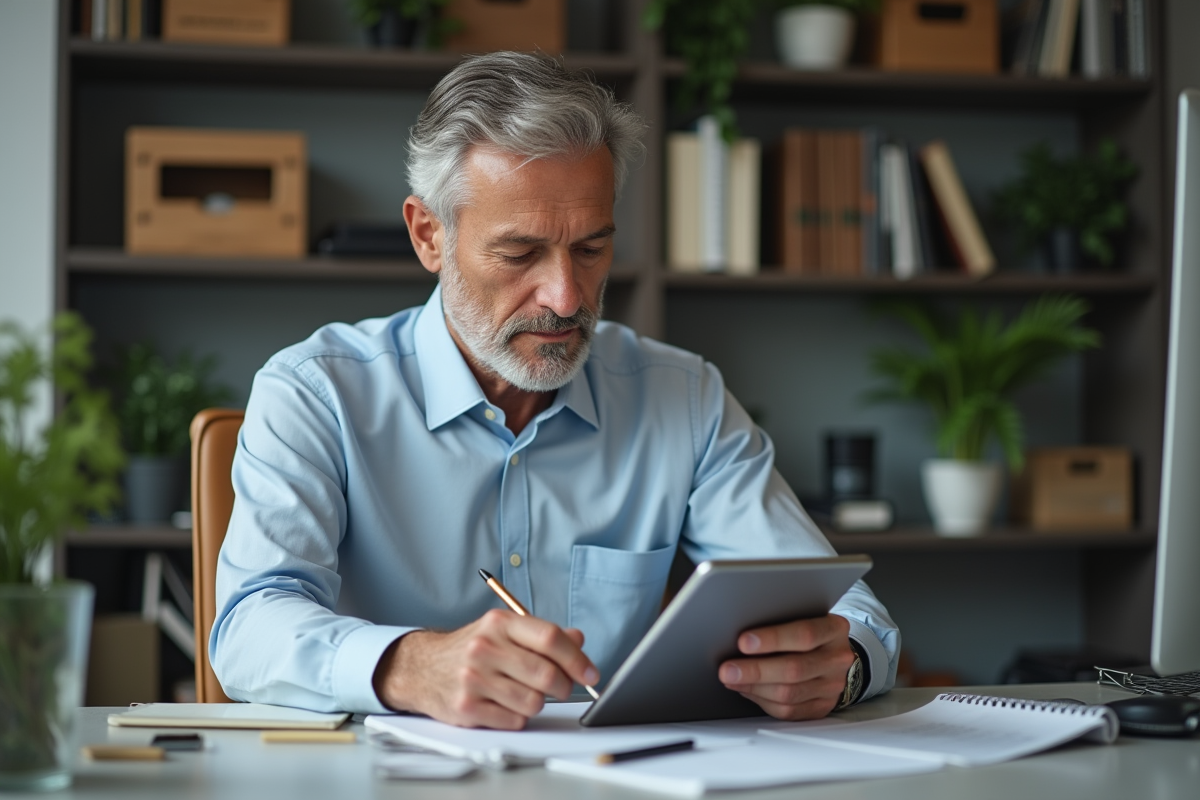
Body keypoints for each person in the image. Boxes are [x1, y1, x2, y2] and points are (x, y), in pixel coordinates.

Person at [212, 52, 899, 730]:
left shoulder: (683, 398)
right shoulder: (316, 392)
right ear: (429, 235)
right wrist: (408, 665)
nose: (566, 296)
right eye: (520, 254)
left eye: (592, 248)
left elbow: (852, 614)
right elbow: (247, 627)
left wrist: (842, 668)